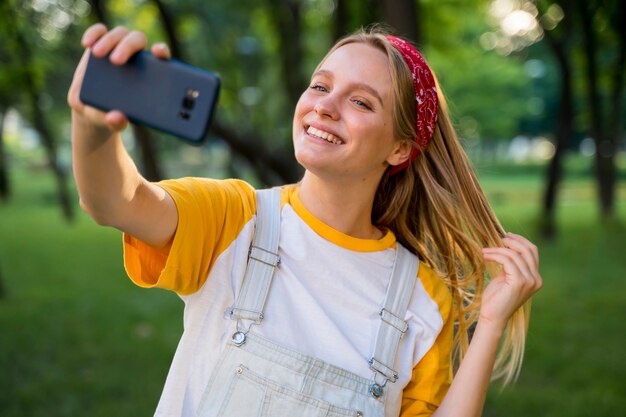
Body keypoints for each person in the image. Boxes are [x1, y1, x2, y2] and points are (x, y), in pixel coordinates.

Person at [68, 23, 542, 417]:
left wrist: (493, 323)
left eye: (361, 102)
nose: (325, 106)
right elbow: (118, 202)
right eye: (321, 85)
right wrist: (92, 128)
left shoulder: (422, 296)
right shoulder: (236, 219)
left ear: (401, 149)